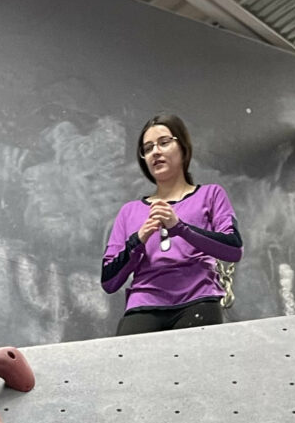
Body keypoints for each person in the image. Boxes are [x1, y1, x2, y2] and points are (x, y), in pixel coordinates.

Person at [100, 113, 243, 336]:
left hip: (199, 300)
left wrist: (180, 228)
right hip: (143, 304)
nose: (155, 151)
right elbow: (109, 281)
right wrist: (138, 240)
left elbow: (233, 249)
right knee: (127, 365)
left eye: (164, 142)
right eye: (147, 148)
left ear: (183, 148)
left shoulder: (210, 195)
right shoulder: (130, 211)